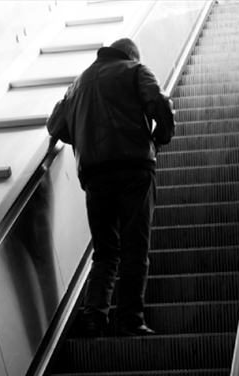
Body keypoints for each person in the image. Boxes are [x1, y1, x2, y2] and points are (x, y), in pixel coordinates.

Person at [46, 38, 175, 336]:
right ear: (130, 54)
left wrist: (83, 139)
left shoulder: (77, 85)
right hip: (134, 168)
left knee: (105, 251)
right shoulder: (136, 70)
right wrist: (161, 137)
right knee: (135, 246)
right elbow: (159, 103)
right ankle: (130, 319)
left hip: (95, 174)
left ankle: (94, 318)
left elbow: (55, 124)